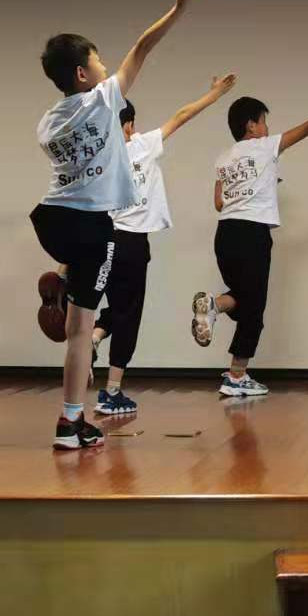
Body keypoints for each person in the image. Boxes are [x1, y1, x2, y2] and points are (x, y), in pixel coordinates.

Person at [32, 0, 206, 451]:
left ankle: (63, 281)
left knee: (78, 325)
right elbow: (143, 47)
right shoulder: (104, 99)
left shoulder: (48, 121)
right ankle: (70, 423)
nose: (107, 68)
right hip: (92, 225)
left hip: (51, 218)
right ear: (83, 74)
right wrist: (177, 10)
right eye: (99, 62)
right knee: (80, 331)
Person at [191, 93, 308, 396]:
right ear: (251, 125)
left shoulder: (224, 158)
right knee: (254, 308)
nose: (267, 128)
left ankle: (216, 307)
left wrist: (257, 187)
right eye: (264, 122)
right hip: (252, 234)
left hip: (225, 233)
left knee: (243, 298)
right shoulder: (265, 146)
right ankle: (236, 377)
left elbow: (218, 202)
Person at [90, 74, 238, 415]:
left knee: (115, 305)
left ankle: (94, 338)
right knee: (129, 315)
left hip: (102, 243)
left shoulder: (99, 159)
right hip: (132, 243)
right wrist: (213, 94)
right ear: (129, 125)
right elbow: (182, 116)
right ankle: (112, 392)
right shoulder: (141, 145)